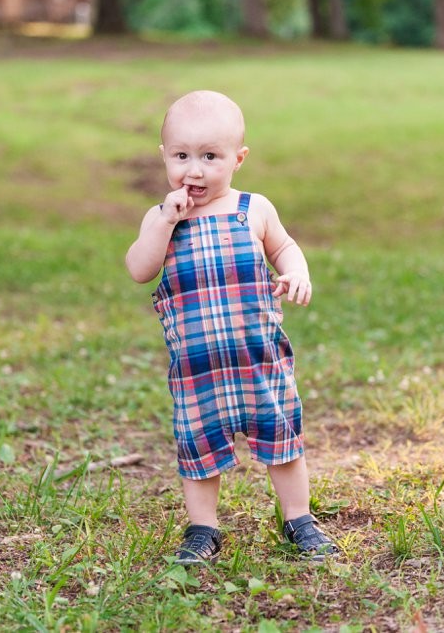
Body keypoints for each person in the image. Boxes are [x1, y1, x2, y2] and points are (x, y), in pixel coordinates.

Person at [125, 90, 338, 565]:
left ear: (237, 159)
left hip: (258, 357)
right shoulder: (161, 219)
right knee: (198, 450)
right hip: (198, 369)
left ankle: (298, 518)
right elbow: (140, 269)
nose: (194, 171)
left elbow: (284, 248)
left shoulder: (254, 209)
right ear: (164, 156)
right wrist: (162, 221)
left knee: (282, 442)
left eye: (210, 157)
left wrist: (297, 271)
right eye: (181, 156)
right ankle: (203, 528)